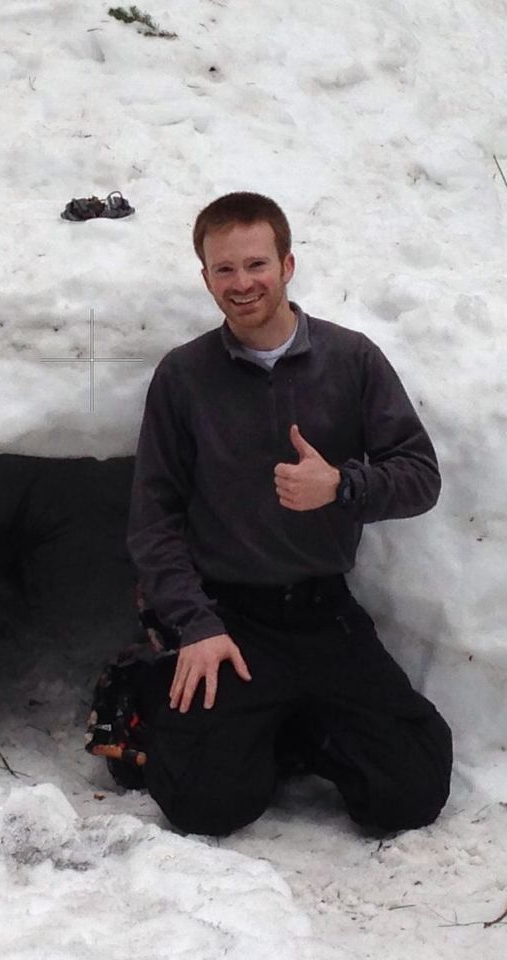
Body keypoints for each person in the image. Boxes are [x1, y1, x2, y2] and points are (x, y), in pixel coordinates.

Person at [121, 191, 452, 837]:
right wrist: (195, 623)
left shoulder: (351, 359)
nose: (242, 283)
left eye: (256, 264)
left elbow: (421, 477)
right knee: (205, 806)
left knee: (408, 794)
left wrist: (342, 486)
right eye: (224, 269)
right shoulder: (184, 376)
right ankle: (153, 684)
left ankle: (293, 728)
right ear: (206, 277)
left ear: (287, 265)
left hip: (324, 614)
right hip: (229, 618)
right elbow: (153, 519)